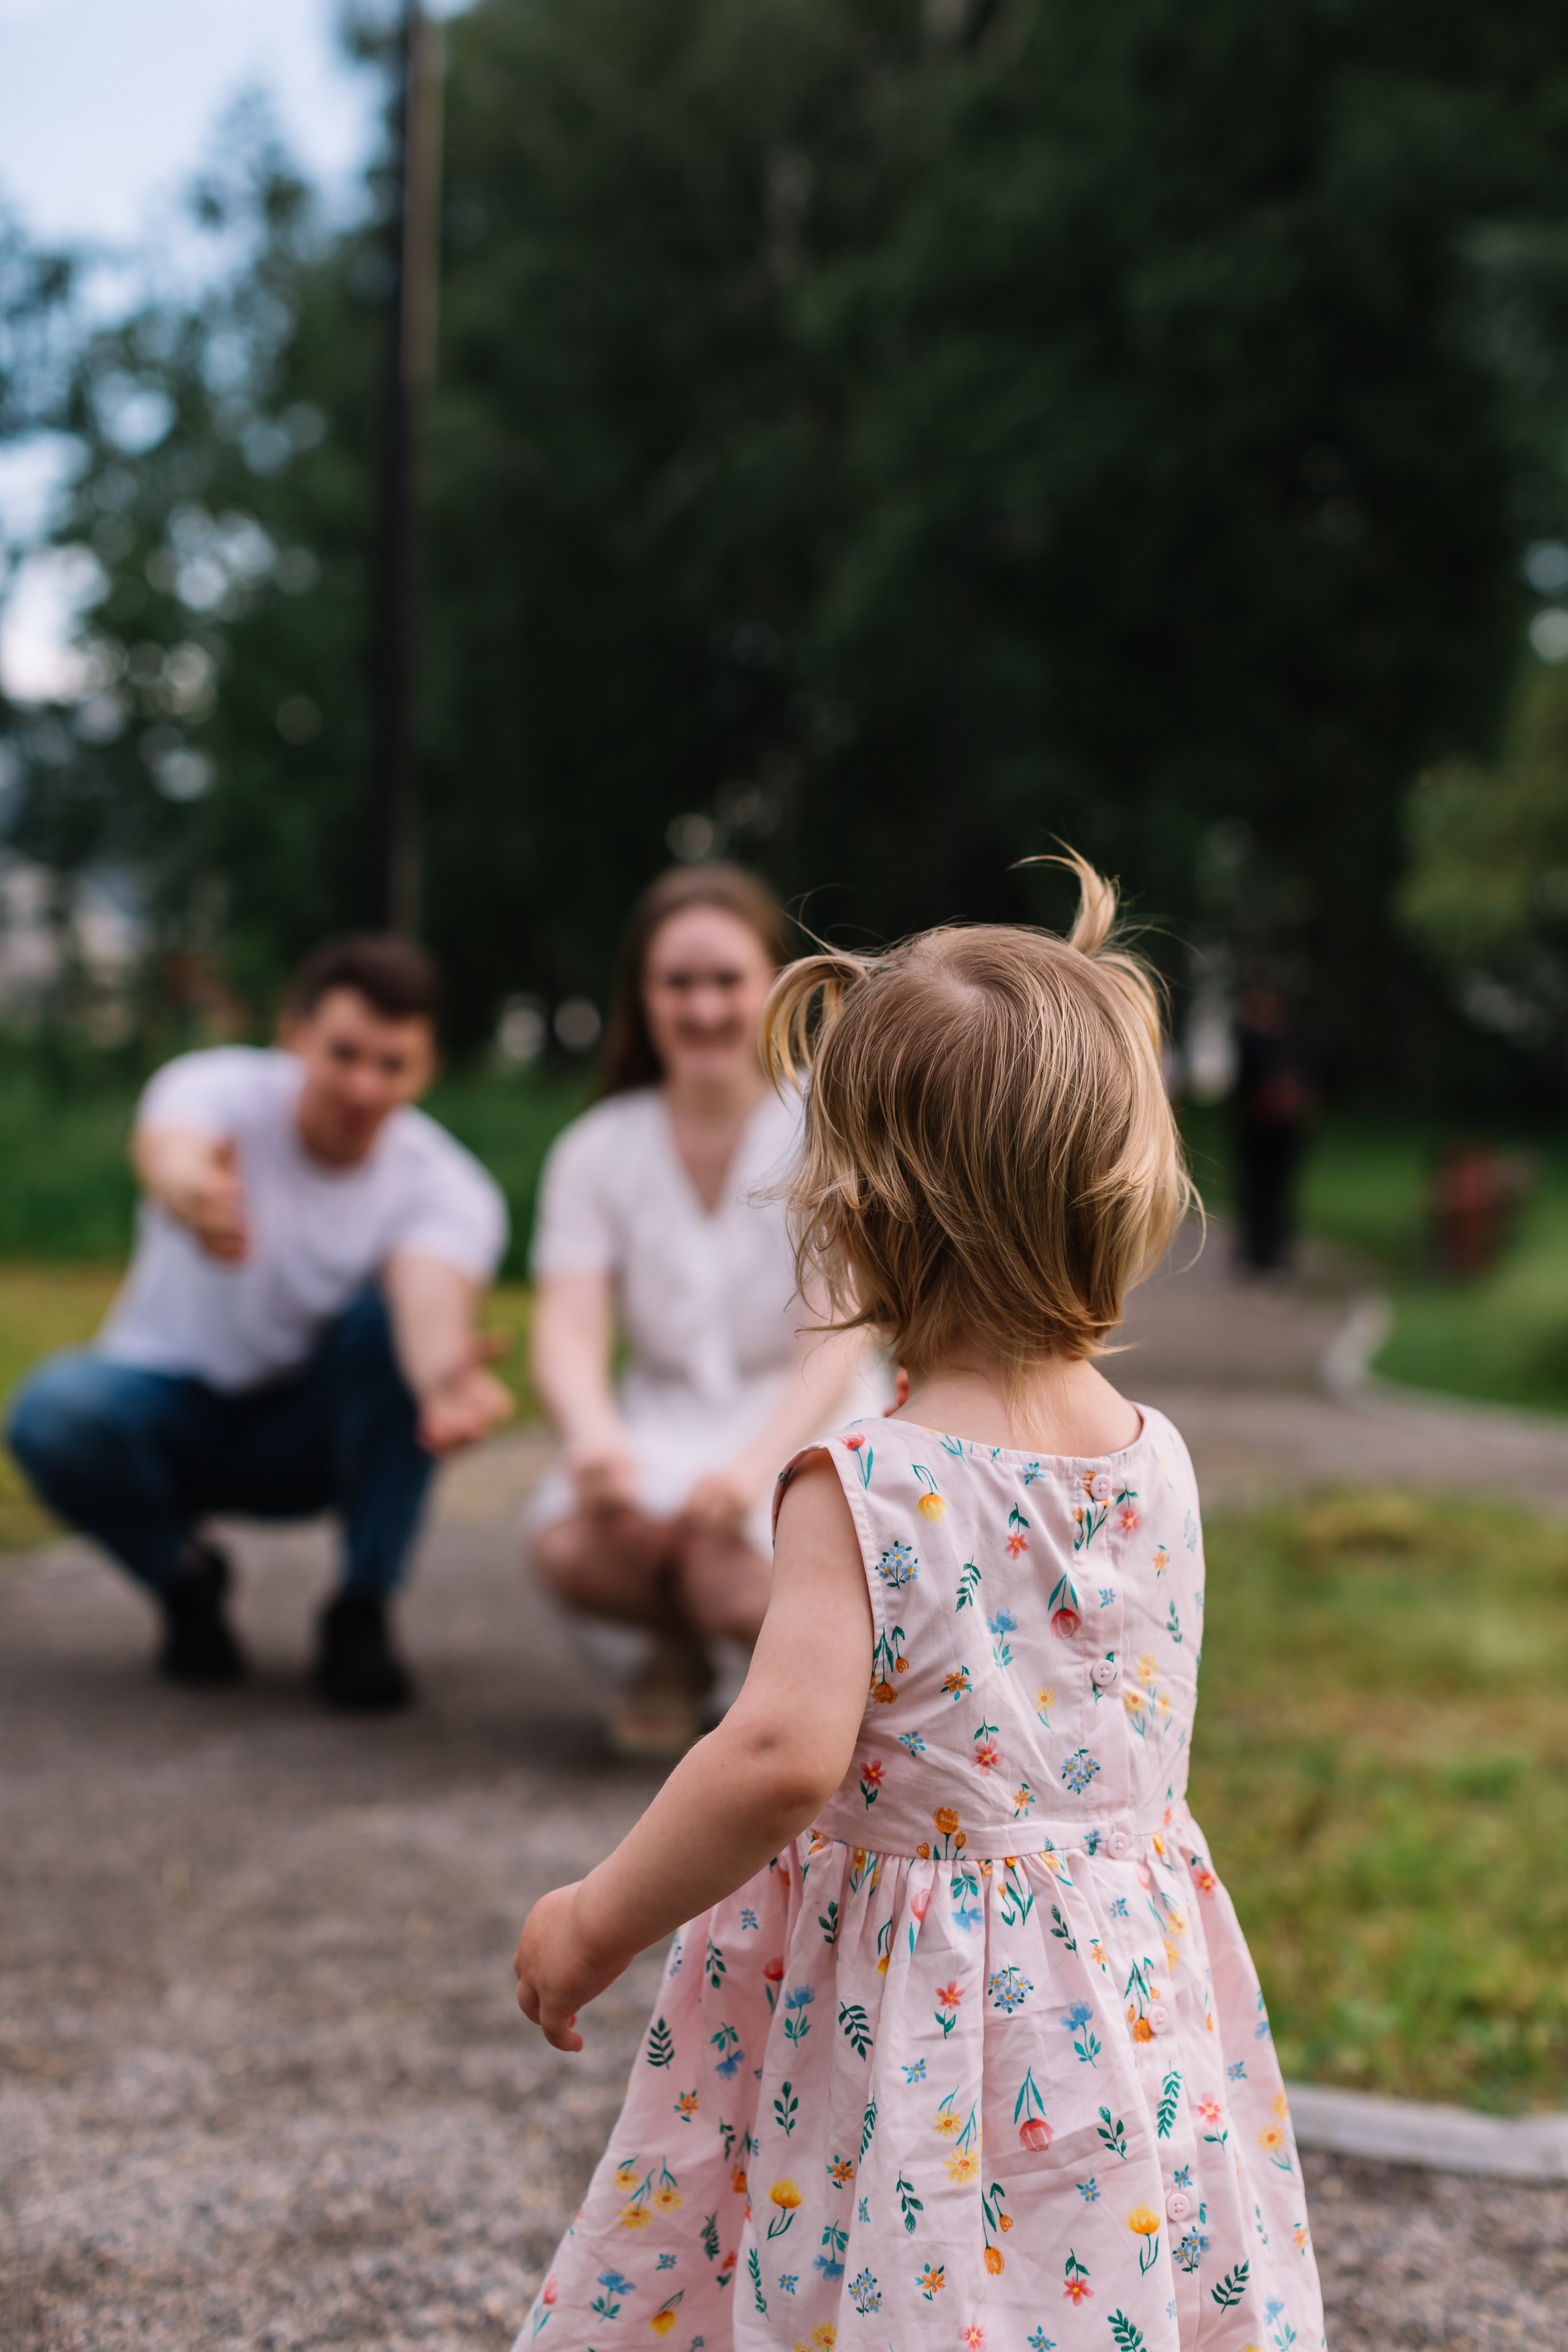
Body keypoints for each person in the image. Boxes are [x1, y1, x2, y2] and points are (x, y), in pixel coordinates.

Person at [510, 856, 1325, 2352]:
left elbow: (775, 1758)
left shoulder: (864, 1479)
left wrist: (596, 1916)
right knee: (1087, 2275)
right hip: (1128, 1987)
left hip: (922, 2005)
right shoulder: (1157, 1461)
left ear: (859, 1206)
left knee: (902, 2272)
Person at [7, 935, 511, 1710]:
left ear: (428, 1067)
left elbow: (428, 1298)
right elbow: (169, 1145)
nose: (364, 1085)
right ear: (295, 1036)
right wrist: (194, 1193)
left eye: (392, 1064)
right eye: (344, 1054)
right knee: (52, 1412)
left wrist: (442, 1378)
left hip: (310, 1436)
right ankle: (184, 1583)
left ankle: (362, 1608)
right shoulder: (216, 1087)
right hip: (171, 1412)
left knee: (387, 1330)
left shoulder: (449, 1187)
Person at [526, 864, 880, 1758]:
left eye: (726, 980)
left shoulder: (831, 1128)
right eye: (676, 983)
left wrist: (759, 1465)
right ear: (642, 994)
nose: (703, 1008)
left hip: (813, 1416)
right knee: (574, 1548)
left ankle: (782, 1702)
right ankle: (680, 1651)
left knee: (739, 1577)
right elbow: (568, 1323)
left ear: (773, 986)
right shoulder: (596, 1146)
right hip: (664, 1419)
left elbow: (840, 1333)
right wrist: (593, 1434)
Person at [1232, 981, 1316, 1273]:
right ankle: (1260, 1251)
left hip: (1276, 1134)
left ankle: (1269, 1252)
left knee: (1274, 1191)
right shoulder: (1274, 1042)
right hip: (1260, 1132)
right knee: (1261, 1191)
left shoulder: (1268, 1042)